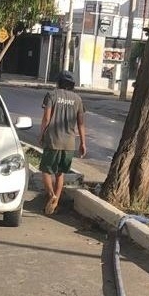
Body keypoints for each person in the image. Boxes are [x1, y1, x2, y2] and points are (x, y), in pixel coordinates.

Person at [39, 70, 86, 215]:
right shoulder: (78, 99)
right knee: (60, 174)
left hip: (53, 140)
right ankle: (56, 203)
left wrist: (41, 134)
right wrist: (83, 143)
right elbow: (81, 124)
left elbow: (46, 118)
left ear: (58, 82)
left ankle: (51, 195)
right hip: (69, 144)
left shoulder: (52, 95)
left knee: (46, 171)